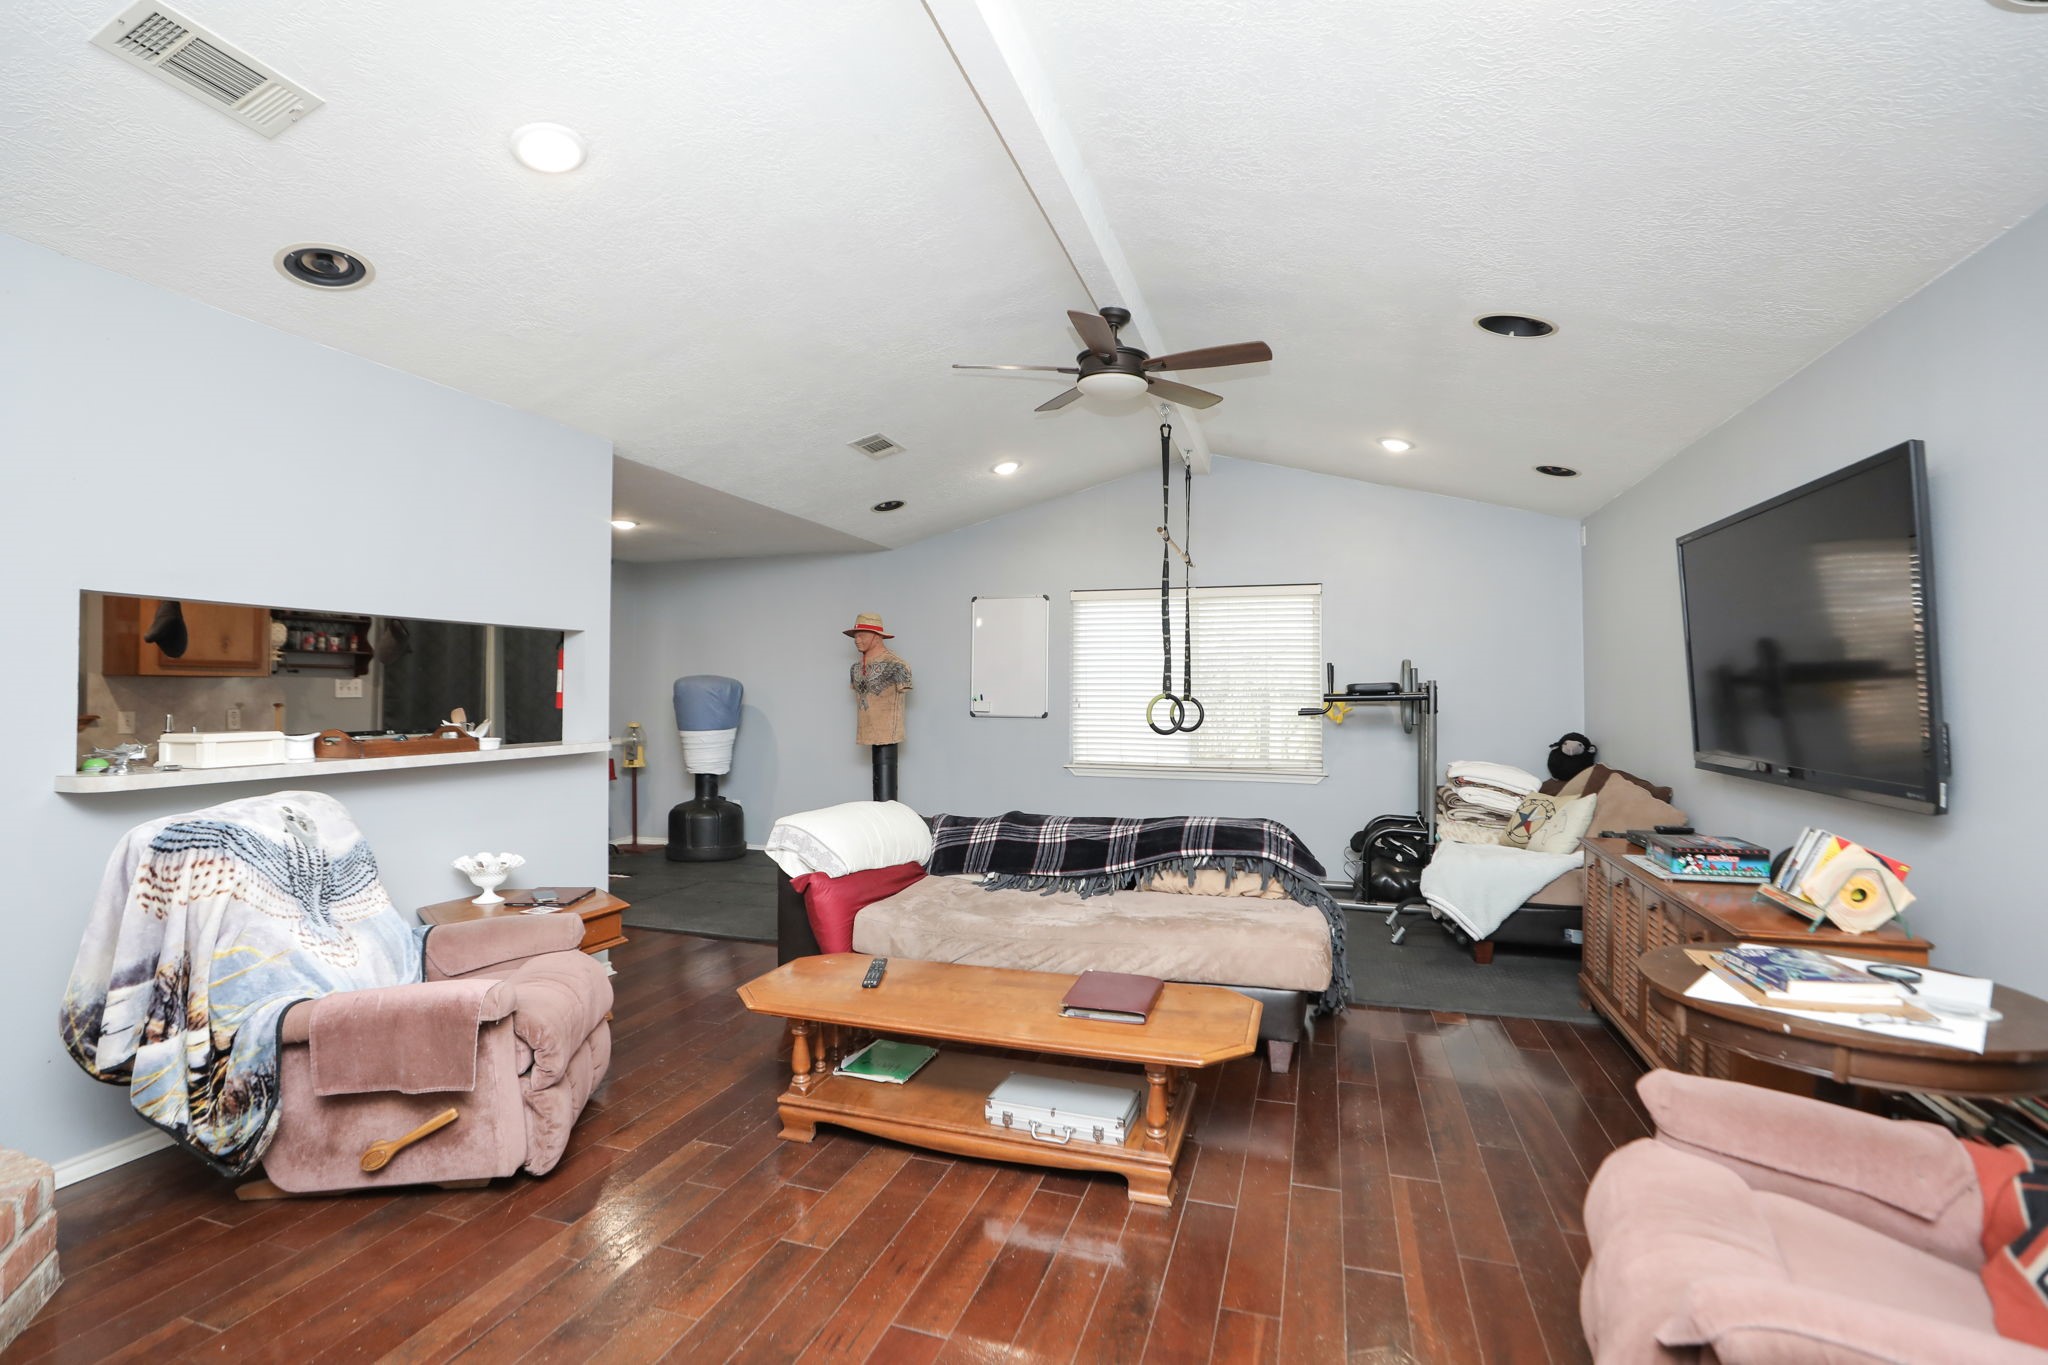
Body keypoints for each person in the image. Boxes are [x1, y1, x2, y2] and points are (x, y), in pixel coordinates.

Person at [846, 613, 912, 746]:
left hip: (888, 736)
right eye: (855, 636)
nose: (856, 640)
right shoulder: (855, 668)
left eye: (861, 635)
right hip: (865, 734)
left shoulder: (897, 665)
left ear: (876, 637)